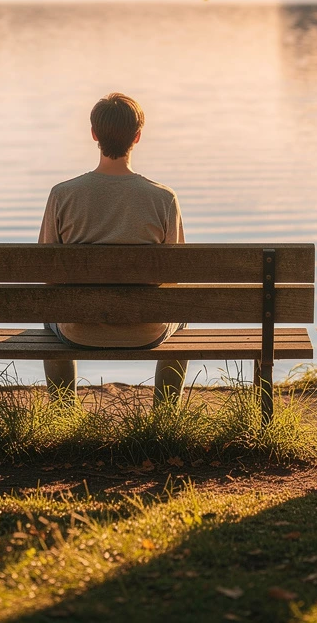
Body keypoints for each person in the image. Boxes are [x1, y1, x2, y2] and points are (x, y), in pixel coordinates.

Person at [39, 92, 188, 405]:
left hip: (79, 330)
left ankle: (64, 411)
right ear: (137, 137)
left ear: (94, 134)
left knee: (50, 311)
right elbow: (176, 279)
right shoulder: (163, 199)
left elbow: (47, 274)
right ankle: (164, 414)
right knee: (184, 311)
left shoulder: (62, 195)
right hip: (147, 331)